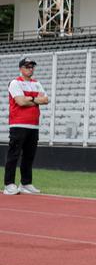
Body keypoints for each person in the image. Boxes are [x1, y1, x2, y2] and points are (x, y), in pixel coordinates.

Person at [5, 58, 49, 195]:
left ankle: (25, 183)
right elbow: (20, 102)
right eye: (27, 66)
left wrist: (30, 98)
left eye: (32, 67)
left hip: (33, 125)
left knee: (29, 156)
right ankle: (9, 184)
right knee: (14, 154)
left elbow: (45, 100)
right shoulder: (15, 83)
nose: (30, 69)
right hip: (18, 124)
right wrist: (36, 100)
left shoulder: (37, 83)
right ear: (21, 68)